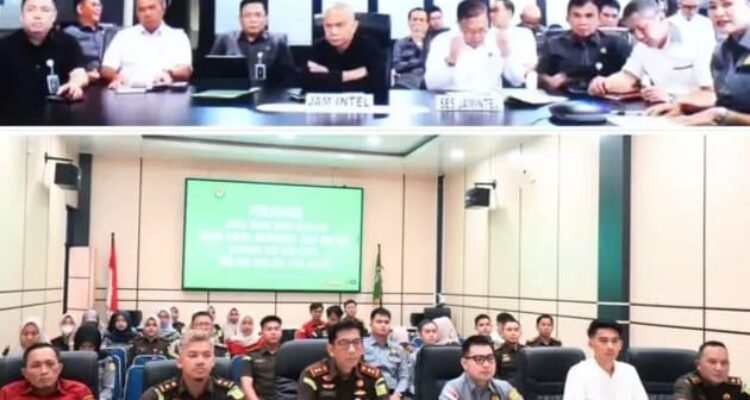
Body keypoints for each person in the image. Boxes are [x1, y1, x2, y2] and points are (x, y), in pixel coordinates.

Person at [588, 0, 715, 110]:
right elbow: (629, 78)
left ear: (661, 17)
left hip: (693, 112)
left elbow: (710, 94)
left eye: (642, 28)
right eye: (632, 31)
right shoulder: (642, 47)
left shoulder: (697, 40)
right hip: (659, 110)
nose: (638, 36)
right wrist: (604, 84)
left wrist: (673, 98)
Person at [0, 0, 88, 120]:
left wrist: (74, 84)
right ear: (21, 17)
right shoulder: (4, 47)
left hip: (58, 121)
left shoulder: (68, 43)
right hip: (13, 122)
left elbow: (79, 72)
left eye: (45, 10)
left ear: (54, 16)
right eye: (31, 9)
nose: (37, 15)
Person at [676, 0, 750, 125]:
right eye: (712, 7)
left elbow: (725, 114)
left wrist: (725, 117)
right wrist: (685, 108)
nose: (718, 13)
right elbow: (729, 104)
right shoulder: (720, 52)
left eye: (727, 4)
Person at [425, 0, 525, 91]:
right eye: (470, 31)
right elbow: (431, 84)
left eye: (482, 30)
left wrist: (507, 53)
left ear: (488, 23)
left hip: (489, 100)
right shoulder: (442, 41)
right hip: (455, 100)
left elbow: (517, 81)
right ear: (458, 25)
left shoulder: (497, 39)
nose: (477, 37)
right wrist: (451, 61)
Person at [538, 0, 632, 93]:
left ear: (599, 18)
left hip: (606, 97)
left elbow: (633, 75)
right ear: (568, 18)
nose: (582, 22)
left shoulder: (616, 44)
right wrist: (547, 81)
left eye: (589, 16)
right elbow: (537, 75)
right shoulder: (553, 44)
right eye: (577, 15)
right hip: (564, 98)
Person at [303, 3, 387, 100]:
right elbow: (307, 85)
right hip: (326, 107)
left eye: (340, 25)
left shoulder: (369, 46)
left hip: (361, 107)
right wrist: (349, 75)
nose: (333, 32)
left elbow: (377, 88)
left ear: (354, 26)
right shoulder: (318, 47)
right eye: (328, 26)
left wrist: (328, 75)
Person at [101, 0, 192, 89]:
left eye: (151, 8)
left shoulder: (178, 37)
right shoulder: (123, 36)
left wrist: (170, 73)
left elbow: (186, 70)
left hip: (165, 92)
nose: (147, 14)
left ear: (163, 8)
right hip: (130, 93)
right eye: (141, 10)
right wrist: (116, 77)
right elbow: (106, 68)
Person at [209, 0, 296, 89]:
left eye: (258, 15)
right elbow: (211, 73)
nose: (253, 20)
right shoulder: (225, 39)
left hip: (269, 94)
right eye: (247, 15)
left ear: (266, 19)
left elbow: (289, 78)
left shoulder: (278, 41)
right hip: (233, 92)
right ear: (240, 19)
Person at [298, 319, 389, 400]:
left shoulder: (375, 377)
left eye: (356, 342)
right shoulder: (311, 377)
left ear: (362, 348)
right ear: (331, 349)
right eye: (344, 343)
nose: (351, 350)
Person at [141, 330, 246, 400]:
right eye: (193, 355)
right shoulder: (157, 396)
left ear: (213, 361)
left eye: (207, 355)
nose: (200, 361)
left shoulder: (231, 393)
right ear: (179, 362)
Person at [562, 319, 648, 400]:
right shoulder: (578, 372)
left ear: (620, 345)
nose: (610, 347)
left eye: (614, 341)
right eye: (603, 341)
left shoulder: (629, 371)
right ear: (590, 343)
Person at [439, 335, 523, 400]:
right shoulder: (453, 390)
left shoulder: (504, 387)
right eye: (479, 359)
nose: (486, 365)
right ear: (464, 363)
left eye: (490, 358)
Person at [0, 343, 94, 400]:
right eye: (36, 366)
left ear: (60, 368)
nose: (44, 371)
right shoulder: (7, 394)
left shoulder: (80, 391)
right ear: (25, 373)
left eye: (50, 364)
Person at [63, 0, 119, 83]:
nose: (98, 8)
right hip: (83, 82)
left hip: (110, 81)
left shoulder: (110, 31)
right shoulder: (69, 34)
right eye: (94, 5)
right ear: (80, 9)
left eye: (99, 5)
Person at [673, 341, 750, 400]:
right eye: (712, 362)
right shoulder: (687, 384)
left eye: (724, 363)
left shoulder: (739, 386)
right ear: (698, 364)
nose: (719, 368)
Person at [364, 308, 410, 399]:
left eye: (386, 322)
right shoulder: (361, 346)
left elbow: (404, 377)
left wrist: (397, 394)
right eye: (379, 322)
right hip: (368, 393)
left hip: (392, 393)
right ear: (371, 324)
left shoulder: (398, 349)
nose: (383, 325)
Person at [491, 0, 539, 84]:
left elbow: (532, 63)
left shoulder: (524, 34)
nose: (491, 14)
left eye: (496, 10)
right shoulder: (486, 36)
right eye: (490, 11)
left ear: (509, 13)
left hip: (520, 82)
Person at [240, 315, 283, 400]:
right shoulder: (251, 355)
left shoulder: (289, 354)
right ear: (262, 332)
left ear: (281, 332)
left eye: (276, 329)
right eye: (269, 329)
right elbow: (246, 383)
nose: (273, 332)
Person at [73, 323, 115, 400]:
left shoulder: (107, 360)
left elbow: (109, 388)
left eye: (90, 347)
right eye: (83, 347)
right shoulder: (71, 360)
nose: (86, 351)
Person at [392, 7, 429, 89]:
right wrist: (419, 62)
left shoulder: (433, 42)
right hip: (406, 83)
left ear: (427, 24)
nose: (417, 23)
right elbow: (397, 66)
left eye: (421, 20)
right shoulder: (400, 43)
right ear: (409, 23)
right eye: (414, 19)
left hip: (430, 84)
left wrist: (419, 44)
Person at [408, 319, 439, 394]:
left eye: (434, 331)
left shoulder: (445, 354)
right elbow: (411, 380)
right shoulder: (414, 356)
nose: (431, 334)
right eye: (427, 332)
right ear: (420, 334)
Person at [494, 319, 525, 388]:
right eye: (509, 330)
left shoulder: (527, 352)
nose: (513, 333)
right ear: (502, 333)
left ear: (520, 333)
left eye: (516, 330)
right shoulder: (497, 354)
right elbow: (495, 378)